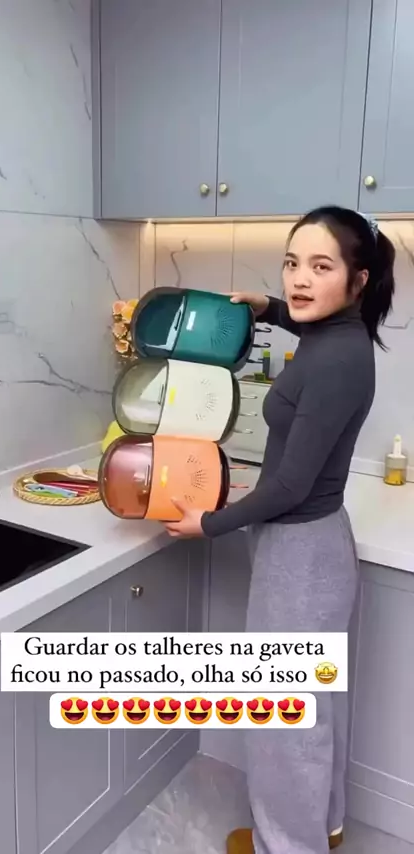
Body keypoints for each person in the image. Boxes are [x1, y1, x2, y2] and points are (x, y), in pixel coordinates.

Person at [164, 206, 396, 854]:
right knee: (315, 702)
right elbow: (309, 324)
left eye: (320, 266)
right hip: (316, 547)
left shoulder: (336, 360)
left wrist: (210, 522)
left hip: (300, 555)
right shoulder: (343, 336)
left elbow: (290, 486)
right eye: (292, 263)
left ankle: (287, 844)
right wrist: (267, 308)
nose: (299, 279)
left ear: (358, 279)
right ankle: (324, 826)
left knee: (284, 717)